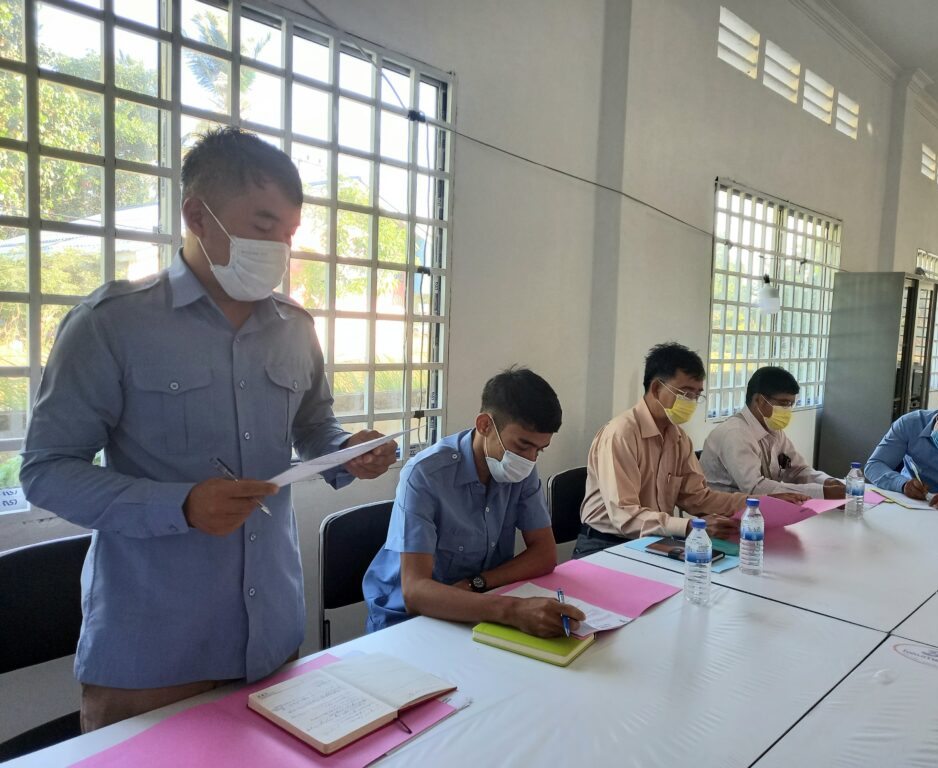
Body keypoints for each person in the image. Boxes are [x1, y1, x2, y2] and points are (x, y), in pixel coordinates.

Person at [20, 128, 397, 732]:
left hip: (272, 637)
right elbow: (45, 471)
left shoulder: (296, 327)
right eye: (263, 225)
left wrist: (347, 451)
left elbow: (313, 426)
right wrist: (181, 505)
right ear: (197, 215)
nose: (278, 248)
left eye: (289, 234)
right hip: (154, 652)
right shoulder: (111, 324)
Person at [362, 367, 584, 636]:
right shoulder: (426, 474)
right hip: (408, 621)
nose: (530, 459)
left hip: (482, 605)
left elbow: (544, 555)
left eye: (540, 450)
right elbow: (416, 591)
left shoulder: (520, 468)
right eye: (523, 445)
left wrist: (477, 583)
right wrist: (512, 610)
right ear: (485, 425)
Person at [573, 343, 807, 558]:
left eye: (697, 394)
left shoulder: (678, 438)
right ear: (656, 388)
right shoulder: (621, 434)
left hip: (654, 541)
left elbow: (698, 498)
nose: (692, 401)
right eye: (686, 393)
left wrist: (759, 503)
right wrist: (688, 527)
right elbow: (624, 515)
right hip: (605, 545)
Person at [700, 366, 844, 499]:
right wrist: (821, 492)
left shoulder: (773, 429)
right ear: (759, 400)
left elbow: (797, 470)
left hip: (758, 508)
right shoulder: (735, 434)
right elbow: (755, 488)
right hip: (725, 512)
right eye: (784, 403)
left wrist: (827, 481)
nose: (788, 410)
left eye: (791, 404)